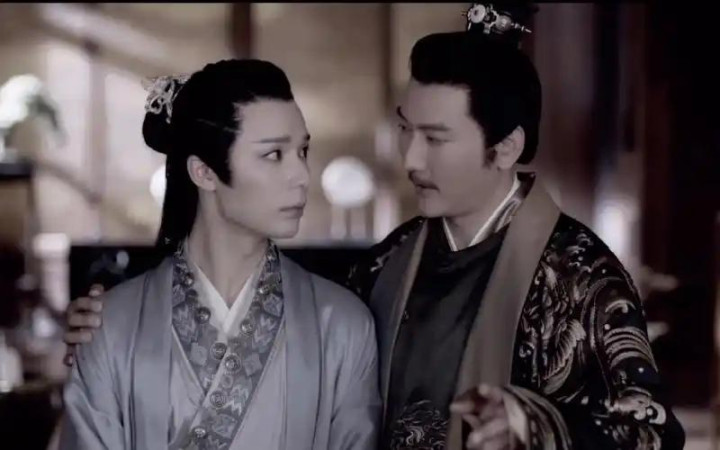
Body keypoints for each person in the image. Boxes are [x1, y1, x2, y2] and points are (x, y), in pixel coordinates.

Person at [63, 3, 685, 449]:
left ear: (505, 147)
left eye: (435, 138)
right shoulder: (392, 260)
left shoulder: (580, 275)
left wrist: (532, 423)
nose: (410, 159)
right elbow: (285, 322)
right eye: (406, 129)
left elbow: (653, 430)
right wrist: (116, 321)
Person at [58, 59, 380, 450]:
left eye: (302, 151)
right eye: (274, 154)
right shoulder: (111, 326)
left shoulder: (342, 326)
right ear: (204, 172)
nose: (301, 176)